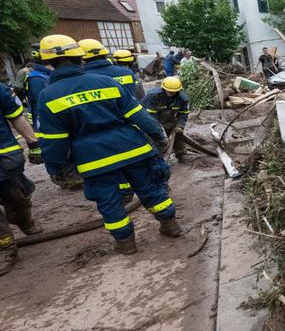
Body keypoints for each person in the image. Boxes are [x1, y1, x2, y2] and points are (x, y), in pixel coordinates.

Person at [36, 34, 181, 255]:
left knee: (109, 202)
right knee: (151, 189)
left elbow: (54, 141)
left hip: (93, 159)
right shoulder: (106, 82)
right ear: (79, 57)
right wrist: (159, 137)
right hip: (133, 148)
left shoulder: (48, 95)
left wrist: (56, 168)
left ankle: (126, 244)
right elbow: (138, 115)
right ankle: (170, 225)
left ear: (48, 62)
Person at [0, 82, 43, 274]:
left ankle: (23, 221)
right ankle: (6, 247)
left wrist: (33, 142)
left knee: (17, 196)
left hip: (4, 157)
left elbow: (15, 116)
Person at [142, 77, 190, 162]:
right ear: (163, 88)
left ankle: (181, 153)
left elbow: (183, 113)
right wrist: (158, 128)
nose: (171, 93)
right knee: (156, 136)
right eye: (169, 91)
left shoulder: (183, 98)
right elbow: (151, 115)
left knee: (177, 132)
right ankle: (158, 157)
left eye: (173, 92)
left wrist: (180, 126)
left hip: (168, 116)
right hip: (149, 116)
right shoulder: (154, 96)